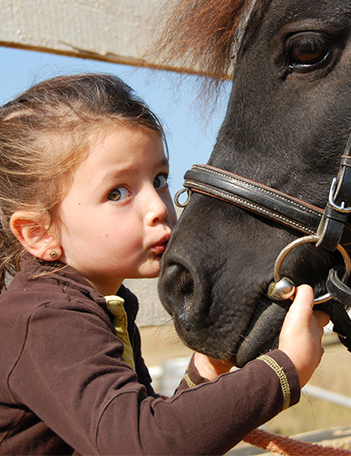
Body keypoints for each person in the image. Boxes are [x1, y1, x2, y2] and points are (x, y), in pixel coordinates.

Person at [0, 73, 328, 456]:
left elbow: (133, 425)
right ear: (39, 233)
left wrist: (202, 373)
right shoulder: (45, 320)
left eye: (158, 179)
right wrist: (284, 372)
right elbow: (144, 445)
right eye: (117, 192)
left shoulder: (92, 304)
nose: (159, 207)